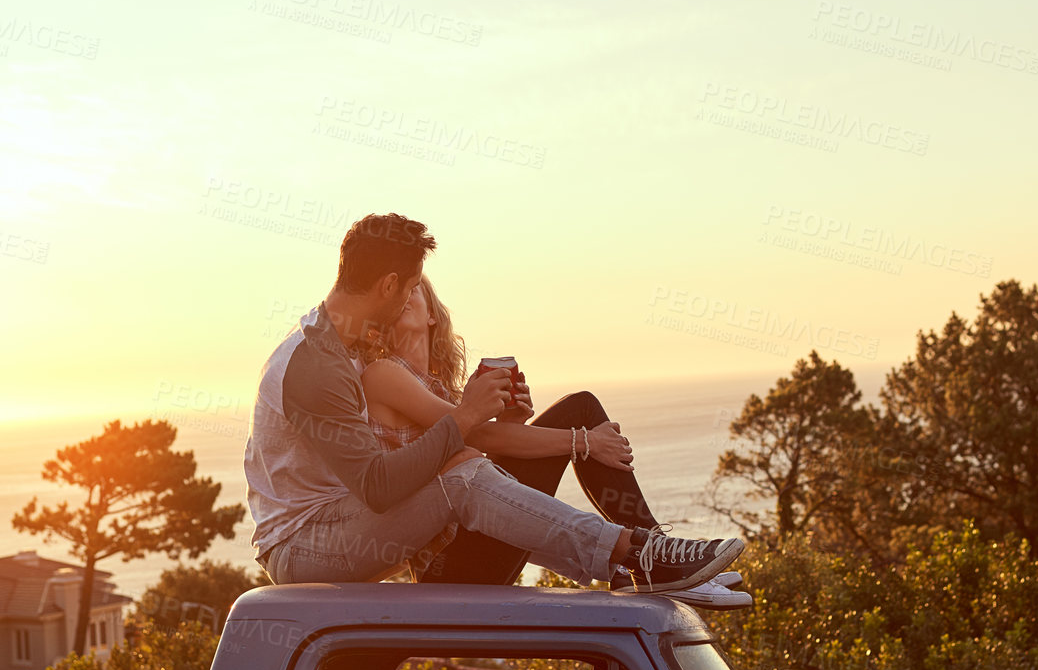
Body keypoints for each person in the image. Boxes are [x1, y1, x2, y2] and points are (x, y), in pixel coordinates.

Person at [244, 212, 743, 596]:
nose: (413, 301)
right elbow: (377, 487)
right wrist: (464, 417)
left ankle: (630, 558)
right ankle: (636, 553)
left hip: (341, 523)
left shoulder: (343, 345)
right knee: (459, 473)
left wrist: (489, 421)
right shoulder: (318, 364)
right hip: (304, 547)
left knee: (462, 463)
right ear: (389, 285)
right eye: (412, 287)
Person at [357, 274, 751, 608]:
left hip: (474, 546)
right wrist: (585, 442)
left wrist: (514, 421)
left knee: (579, 410)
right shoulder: (383, 374)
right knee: (579, 412)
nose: (405, 296)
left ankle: (653, 563)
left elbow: (483, 477)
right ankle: (652, 557)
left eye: (414, 288)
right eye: (397, 292)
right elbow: (477, 437)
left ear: (432, 314)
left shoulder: (440, 389)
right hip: (446, 567)